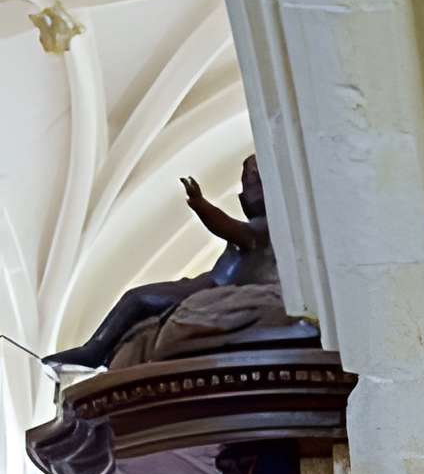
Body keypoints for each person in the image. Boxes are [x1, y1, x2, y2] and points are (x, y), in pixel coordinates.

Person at [47, 157, 275, 373]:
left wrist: (201, 204)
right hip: (207, 282)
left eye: (255, 182)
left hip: (212, 286)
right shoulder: (260, 227)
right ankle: (95, 348)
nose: (248, 191)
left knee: (138, 298)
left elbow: (228, 227)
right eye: (247, 182)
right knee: (137, 297)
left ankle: (95, 351)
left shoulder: (266, 227)